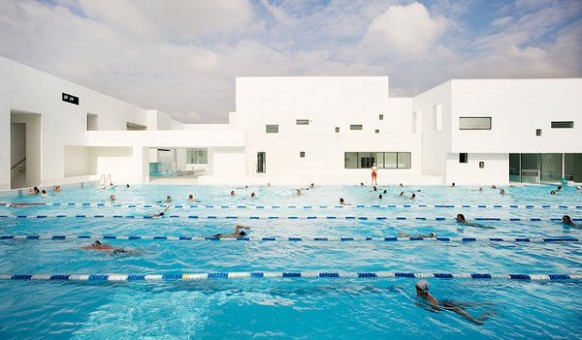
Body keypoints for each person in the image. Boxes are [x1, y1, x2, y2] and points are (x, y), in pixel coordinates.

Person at [415, 279, 494, 325]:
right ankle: (488, 303)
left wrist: (422, 306)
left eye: (417, 288)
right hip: (446, 302)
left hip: (452, 308)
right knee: (475, 305)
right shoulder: (423, 294)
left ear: (422, 290)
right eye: (416, 287)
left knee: (477, 322)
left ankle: (488, 313)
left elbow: (436, 310)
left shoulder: (432, 300)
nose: (416, 289)